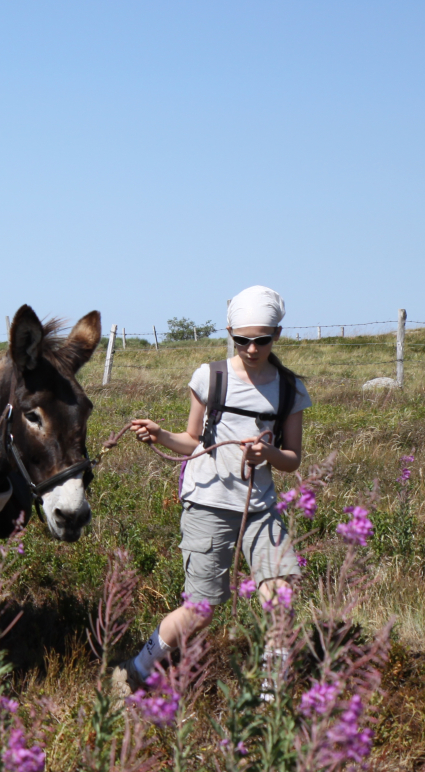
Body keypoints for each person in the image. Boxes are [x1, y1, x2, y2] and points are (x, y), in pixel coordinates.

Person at [116, 286, 311, 695]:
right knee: (201, 611)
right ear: (230, 333)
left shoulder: (290, 389)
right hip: (207, 503)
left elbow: (292, 459)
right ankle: (137, 670)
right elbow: (193, 440)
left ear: (278, 333)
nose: (252, 348)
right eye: (242, 340)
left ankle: (269, 696)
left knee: (281, 597)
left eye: (262, 339)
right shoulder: (210, 377)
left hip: (260, 509)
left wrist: (269, 453)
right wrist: (160, 435)